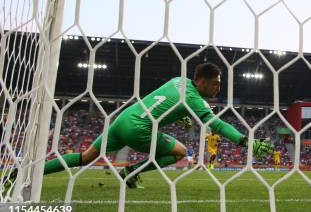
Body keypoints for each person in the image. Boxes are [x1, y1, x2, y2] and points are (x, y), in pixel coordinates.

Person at [6, 63, 272, 193]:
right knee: (181, 151)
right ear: (201, 81)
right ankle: (131, 171)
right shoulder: (194, 97)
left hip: (122, 120)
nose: (218, 88)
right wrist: (245, 142)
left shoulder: (178, 80)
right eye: (215, 83)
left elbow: (162, 102)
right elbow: (214, 123)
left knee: (85, 157)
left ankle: (21, 172)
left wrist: (176, 116)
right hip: (138, 127)